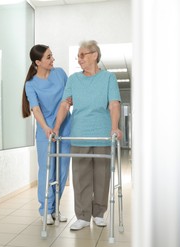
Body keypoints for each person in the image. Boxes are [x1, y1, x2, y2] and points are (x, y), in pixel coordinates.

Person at [53, 40, 122, 231]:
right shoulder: (74, 79)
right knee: (81, 176)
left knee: (101, 176)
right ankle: (82, 216)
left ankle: (99, 213)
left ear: (94, 55)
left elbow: (114, 104)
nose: (79, 58)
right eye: (78, 55)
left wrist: (114, 127)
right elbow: (65, 104)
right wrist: (56, 127)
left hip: (102, 134)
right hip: (80, 134)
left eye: (83, 54)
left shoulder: (108, 78)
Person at [22, 44, 72, 225]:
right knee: (47, 171)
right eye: (49, 57)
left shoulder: (60, 74)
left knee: (62, 171)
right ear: (38, 62)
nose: (53, 60)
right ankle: (45, 210)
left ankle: (55, 210)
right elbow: (35, 109)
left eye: (52, 56)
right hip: (45, 131)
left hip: (65, 127)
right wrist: (45, 128)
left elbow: (69, 98)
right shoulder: (31, 84)